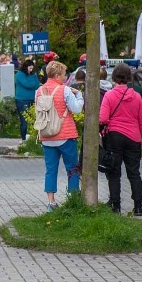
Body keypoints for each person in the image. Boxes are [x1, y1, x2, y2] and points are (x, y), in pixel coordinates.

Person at [99, 63, 142, 216]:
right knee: (134, 173)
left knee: (114, 173)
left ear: (114, 77)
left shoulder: (109, 95)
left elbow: (102, 118)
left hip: (114, 136)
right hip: (134, 138)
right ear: (129, 78)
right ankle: (138, 207)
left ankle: (116, 206)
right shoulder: (136, 96)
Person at [37, 60, 84, 212]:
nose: (65, 77)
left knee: (50, 170)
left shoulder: (39, 91)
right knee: (72, 168)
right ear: (57, 75)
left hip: (47, 137)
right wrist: (79, 95)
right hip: (65, 135)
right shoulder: (65, 90)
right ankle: (73, 199)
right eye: (63, 75)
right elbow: (76, 109)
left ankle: (51, 203)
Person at [14, 59, 40, 141]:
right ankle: (23, 139)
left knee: (33, 119)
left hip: (32, 99)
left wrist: (33, 81)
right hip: (22, 100)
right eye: (30, 68)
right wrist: (33, 81)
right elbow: (28, 84)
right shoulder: (19, 75)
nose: (31, 70)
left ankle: (32, 138)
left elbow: (37, 85)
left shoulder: (33, 75)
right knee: (24, 121)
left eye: (32, 68)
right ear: (25, 67)